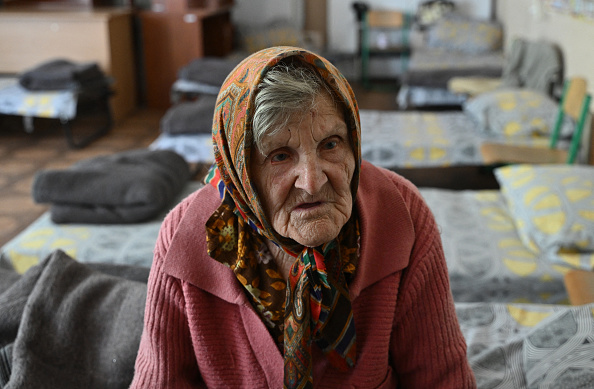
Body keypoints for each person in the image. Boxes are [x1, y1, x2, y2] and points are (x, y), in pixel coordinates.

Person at [130, 46, 476, 388]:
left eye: (331, 144)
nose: (312, 182)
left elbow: (442, 377)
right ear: (240, 170)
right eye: (280, 156)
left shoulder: (402, 213)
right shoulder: (183, 236)